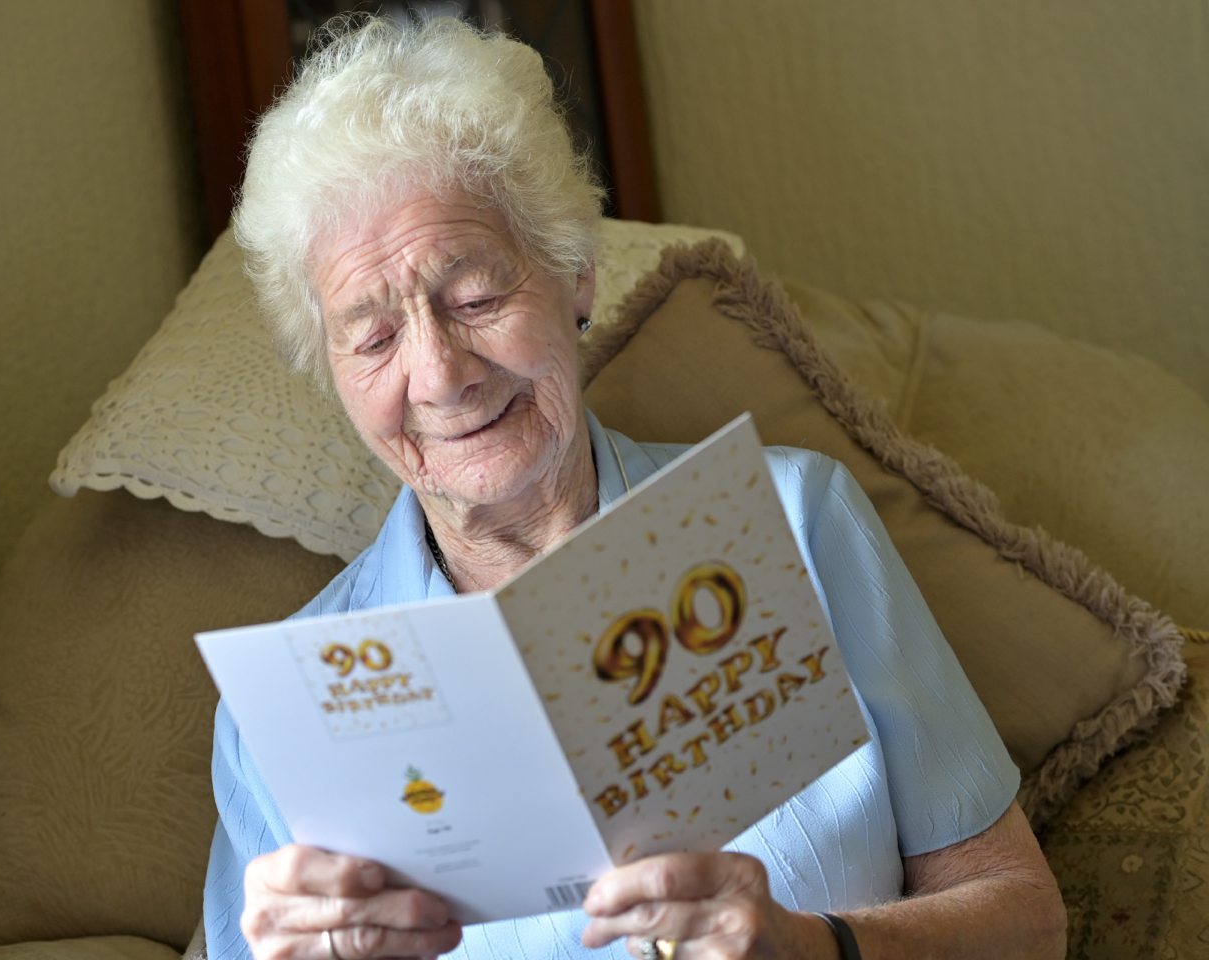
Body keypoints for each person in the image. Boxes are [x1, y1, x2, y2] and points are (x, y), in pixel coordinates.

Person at [204, 14, 1066, 960]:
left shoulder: (793, 522)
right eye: (373, 339)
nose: (441, 376)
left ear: (575, 276)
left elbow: (1024, 915)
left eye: (478, 297)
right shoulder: (282, 709)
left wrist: (812, 949)